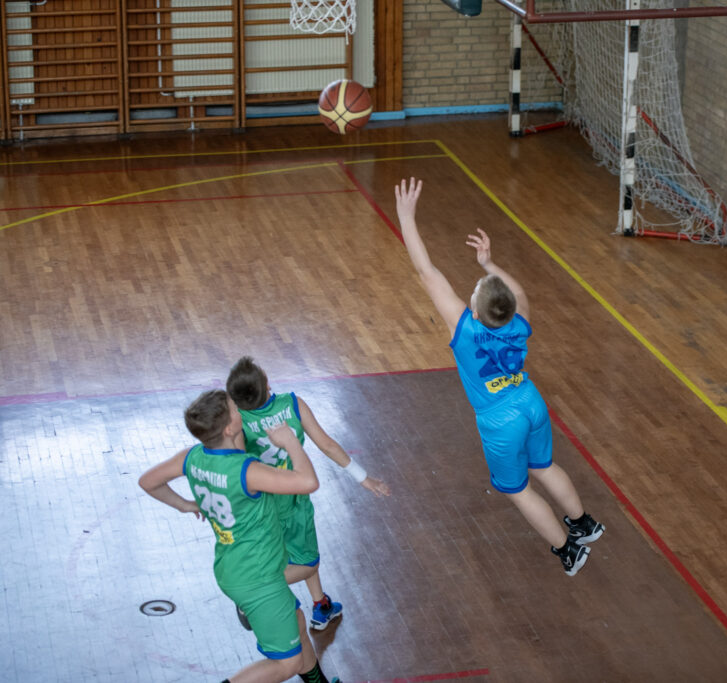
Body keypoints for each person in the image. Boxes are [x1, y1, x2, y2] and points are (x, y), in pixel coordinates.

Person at [393, 176, 604, 576]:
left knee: (519, 489)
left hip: (499, 418)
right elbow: (520, 293)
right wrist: (489, 264)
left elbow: (426, 270)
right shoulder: (520, 320)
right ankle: (584, 523)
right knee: (544, 465)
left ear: (474, 309)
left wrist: (406, 217)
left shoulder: (464, 328)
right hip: (529, 400)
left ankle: (567, 550)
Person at [138, 389, 339, 683]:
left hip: (233, 566)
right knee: (287, 664)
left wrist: (186, 505)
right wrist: (290, 442)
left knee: (296, 620)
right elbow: (308, 481)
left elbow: (148, 481)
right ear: (230, 428)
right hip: (259, 577)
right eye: (235, 408)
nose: (240, 408)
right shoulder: (246, 471)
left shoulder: (192, 457)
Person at [227, 356, 391, 630]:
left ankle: (321, 604)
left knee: (297, 553)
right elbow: (327, 445)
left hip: (260, 504)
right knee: (309, 562)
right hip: (293, 501)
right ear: (267, 384)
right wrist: (363, 477)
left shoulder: (238, 420)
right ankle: (253, 593)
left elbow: (237, 461)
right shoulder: (293, 404)